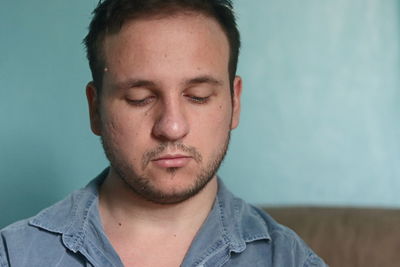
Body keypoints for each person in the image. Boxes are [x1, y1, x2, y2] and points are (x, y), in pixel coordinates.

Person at [0, 0, 326, 266]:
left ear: (234, 102)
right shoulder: (14, 256)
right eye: (140, 98)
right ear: (94, 109)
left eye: (198, 95)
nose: (172, 127)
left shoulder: (289, 260)